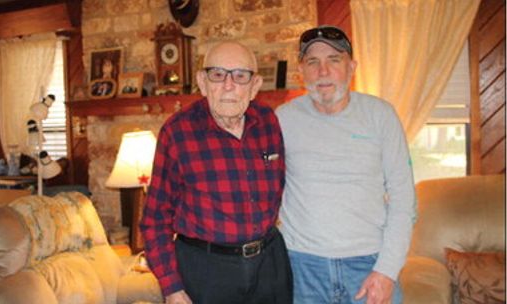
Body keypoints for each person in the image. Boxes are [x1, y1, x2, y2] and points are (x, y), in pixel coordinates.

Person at [140, 41, 293, 304]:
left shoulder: (268, 121)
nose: (229, 86)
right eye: (218, 75)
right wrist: (172, 289)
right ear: (202, 81)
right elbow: (155, 219)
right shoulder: (177, 132)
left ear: (255, 85)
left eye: (240, 76)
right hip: (205, 271)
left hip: (269, 265)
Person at [276, 25, 416, 304]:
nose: (323, 71)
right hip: (301, 267)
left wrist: (386, 271)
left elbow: (404, 201)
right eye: (312, 62)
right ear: (301, 70)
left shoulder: (381, 115)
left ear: (352, 67)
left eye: (334, 60)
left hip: (369, 265)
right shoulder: (282, 119)